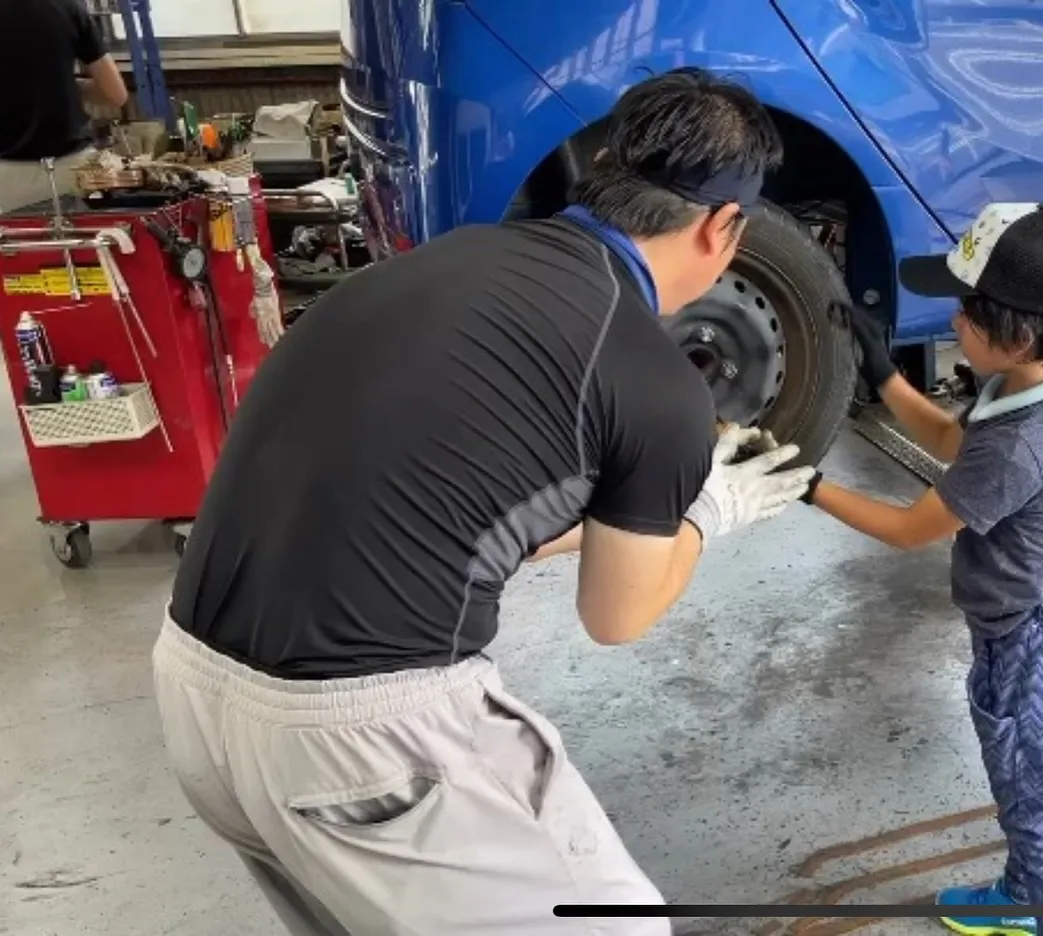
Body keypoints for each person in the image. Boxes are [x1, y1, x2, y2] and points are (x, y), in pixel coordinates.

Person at [151, 67, 815, 936]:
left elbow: (447, 514)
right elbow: (618, 616)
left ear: (604, 164)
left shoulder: (445, 261)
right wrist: (706, 512)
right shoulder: (654, 383)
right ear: (725, 226)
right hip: (357, 743)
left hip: (194, 691)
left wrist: (632, 519)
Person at [800, 203, 1043, 936]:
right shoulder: (1035, 388)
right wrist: (883, 371)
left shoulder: (1018, 445)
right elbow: (946, 436)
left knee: (1037, 817)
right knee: (1025, 795)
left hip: (1033, 653)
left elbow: (911, 529)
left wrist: (809, 487)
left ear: (1020, 333)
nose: (953, 320)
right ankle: (1017, 896)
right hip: (1038, 621)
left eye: (966, 309)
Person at [0, 0, 128, 213]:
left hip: (6, 180)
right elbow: (115, 95)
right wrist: (66, 86)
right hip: (73, 172)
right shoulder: (69, 6)